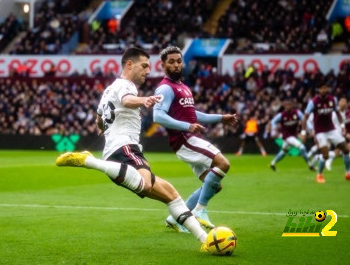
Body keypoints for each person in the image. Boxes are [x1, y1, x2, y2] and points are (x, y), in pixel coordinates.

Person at [55, 47, 209, 252]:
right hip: (124, 148)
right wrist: (144, 100)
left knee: (171, 194)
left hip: (118, 150)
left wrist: (102, 128)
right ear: (129, 65)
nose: (148, 71)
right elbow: (128, 100)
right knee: (145, 184)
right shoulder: (126, 85)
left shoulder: (109, 90)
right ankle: (89, 161)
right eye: (144, 66)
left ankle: (206, 240)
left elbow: (99, 118)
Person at [153, 46, 238, 232]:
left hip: (189, 138)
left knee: (214, 185)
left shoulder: (182, 87)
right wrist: (187, 126)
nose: (176, 65)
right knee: (223, 164)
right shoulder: (165, 88)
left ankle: (174, 218)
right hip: (185, 139)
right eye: (171, 62)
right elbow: (157, 116)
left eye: (178, 61)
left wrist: (221, 117)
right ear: (163, 65)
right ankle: (199, 211)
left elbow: (195, 115)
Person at [301, 82, 350, 184]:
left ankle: (348, 174)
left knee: (346, 149)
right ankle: (319, 175)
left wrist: (342, 127)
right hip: (320, 132)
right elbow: (305, 117)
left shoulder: (333, 99)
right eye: (322, 88)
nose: (324, 90)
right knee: (325, 155)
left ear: (327, 89)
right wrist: (303, 132)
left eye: (325, 88)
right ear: (318, 90)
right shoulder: (313, 102)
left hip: (332, 130)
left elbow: (338, 114)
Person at [269, 100, 316, 172]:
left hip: (293, 135)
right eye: (286, 106)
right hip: (287, 136)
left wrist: (310, 129)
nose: (287, 107)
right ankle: (310, 165)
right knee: (302, 147)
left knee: (284, 152)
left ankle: (273, 163)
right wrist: (274, 129)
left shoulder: (297, 113)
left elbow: (304, 120)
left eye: (289, 105)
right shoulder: (282, 115)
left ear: (292, 106)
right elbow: (273, 121)